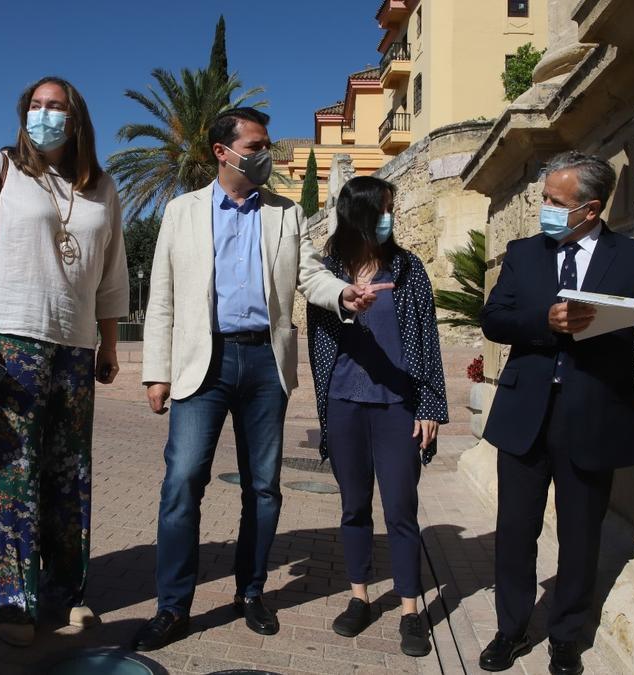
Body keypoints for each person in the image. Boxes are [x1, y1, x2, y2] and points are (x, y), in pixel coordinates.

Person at [133, 107, 387, 651]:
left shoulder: (285, 214)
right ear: (224, 152)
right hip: (204, 362)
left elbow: (310, 274)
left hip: (265, 365)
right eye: (256, 144)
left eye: (267, 144)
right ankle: (172, 606)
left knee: (263, 487)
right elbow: (162, 298)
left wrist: (342, 295)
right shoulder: (182, 212)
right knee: (182, 483)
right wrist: (156, 372)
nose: (266, 154)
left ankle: (250, 592)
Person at [477, 151, 634, 675]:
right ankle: (510, 629)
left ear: (589, 209)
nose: (544, 207)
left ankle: (566, 637)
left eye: (554, 201)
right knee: (515, 531)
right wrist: (544, 321)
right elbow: (494, 318)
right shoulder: (523, 254)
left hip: (592, 416)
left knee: (580, 537)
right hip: (526, 416)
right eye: (545, 197)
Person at [0, 76, 129, 647]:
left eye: (56, 107)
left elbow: (111, 273)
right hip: (12, 340)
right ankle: (12, 604)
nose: (44, 114)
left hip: (75, 350)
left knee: (69, 475)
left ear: (77, 119)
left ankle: (65, 593)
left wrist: (109, 345)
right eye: (36, 106)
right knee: (11, 474)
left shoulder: (101, 187)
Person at [305, 176, 448, 657]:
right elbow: (319, 342)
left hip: (398, 407)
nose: (394, 216)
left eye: (395, 207)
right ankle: (359, 597)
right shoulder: (328, 273)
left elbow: (428, 340)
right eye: (387, 208)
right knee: (353, 507)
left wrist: (429, 405)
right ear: (363, 212)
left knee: (402, 510)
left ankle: (410, 611)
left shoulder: (409, 269)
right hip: (345, 403)